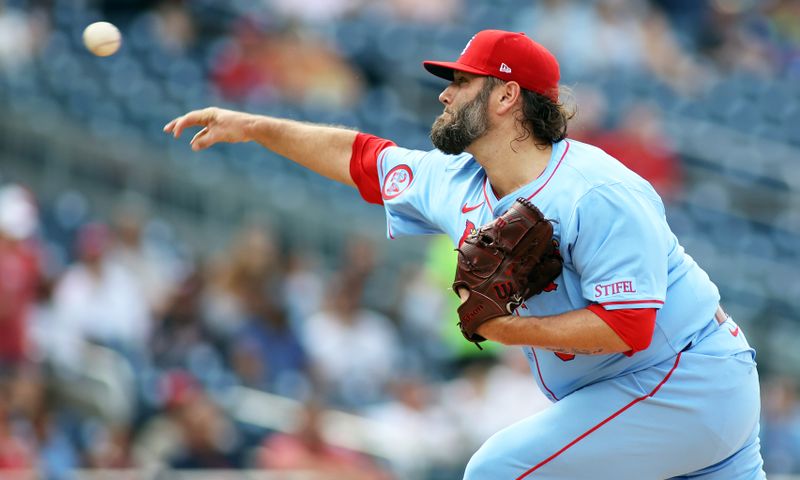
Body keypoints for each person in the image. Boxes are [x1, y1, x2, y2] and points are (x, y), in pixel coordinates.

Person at [164, 29, 765, 479]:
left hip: (684, 380)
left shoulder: (598, 191)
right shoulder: (457, 181)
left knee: (495, 471)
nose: (446, 95)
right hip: (642, 393)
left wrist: (505, 329)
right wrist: (254, 126)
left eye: (461, 82)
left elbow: (629, 326)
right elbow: (361, 158)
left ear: (506, 96)